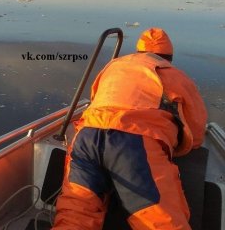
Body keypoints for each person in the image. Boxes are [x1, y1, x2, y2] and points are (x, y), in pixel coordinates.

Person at [52, 28, 207, 230]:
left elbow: (96, 99)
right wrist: (180, 145)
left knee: (75, 215)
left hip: (86, 137)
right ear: (168, 57)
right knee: (159, 223)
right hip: (135, 145)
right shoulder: (171, 74)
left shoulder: (113, 66)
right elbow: (196, 128)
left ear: (139, 51)